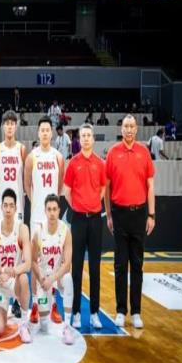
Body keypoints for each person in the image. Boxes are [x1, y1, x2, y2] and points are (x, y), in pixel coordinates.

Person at [105, 114, 156, 329]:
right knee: (120, 265)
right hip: (119, 214)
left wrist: (151, 215)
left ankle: (136, 312)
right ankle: (120, 310)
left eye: (132, 126)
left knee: (137, 265)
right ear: (121, 129)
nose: (128, 129)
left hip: (139, 214)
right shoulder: (113, 152)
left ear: (136, 129)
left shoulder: (144, 152)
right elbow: (107, 187)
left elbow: (150, 186)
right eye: (125, 126)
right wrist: (109, 215)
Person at [63, 124, 106, 330]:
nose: (86, 138)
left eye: (89, 135)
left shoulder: (100, 163)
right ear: (79, 140)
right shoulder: (73, 163)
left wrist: (93, 203)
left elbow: (103, 187)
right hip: (78, 220)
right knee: (77, 268)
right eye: (83, 136)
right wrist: (78, 207)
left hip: (96, 220)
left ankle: (95, 313)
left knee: (95, 267)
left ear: (93, 139)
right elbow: (66, 191)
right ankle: (77, 313)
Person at [24, 116, 64, 325]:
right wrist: (37, 204)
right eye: (42, 130)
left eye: (48, 130)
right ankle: (35, 305)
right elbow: (26, 185)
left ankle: (54, 304)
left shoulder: (58, 157)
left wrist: (52, 209)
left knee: (54, 260)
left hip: (53, 218)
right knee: (35, 261)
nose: (45, 133)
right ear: (38, 133)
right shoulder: (32, 157)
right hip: (37, 217)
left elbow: (59, 187)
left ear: (51, 132)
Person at [0, 188, 32, 343]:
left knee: (24, 278)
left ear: (15, 208)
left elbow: (27, 264)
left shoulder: (22, 229)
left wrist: (11, 272)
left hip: (15, 282)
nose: (8, 209)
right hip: (0, 284)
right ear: (1, 207)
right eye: (5, 205)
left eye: (11, 206)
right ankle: (2, 311)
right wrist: (3, 271)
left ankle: (24, 323)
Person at [31, 194, 75, 345]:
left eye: (54, 209)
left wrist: (53, 279)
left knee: (68, 278)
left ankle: (67, 326)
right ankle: (41, 309)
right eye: (49, 209)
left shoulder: (65, 231)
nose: (52, 213)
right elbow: (32, 261)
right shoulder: (38, 232)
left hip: (58, 276)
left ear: (59, 210)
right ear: (45, 211)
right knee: (44, 326)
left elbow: (67, 264)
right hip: (44, 279)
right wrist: (42, 278)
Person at [0, 110, 26, 223]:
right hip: (2, 198)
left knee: (18, 231)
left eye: (12, 124)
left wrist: (23, 194)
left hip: (18, 199)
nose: (9, 127)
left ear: (16, 126)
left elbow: (26, 177)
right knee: (1, 231)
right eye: (7, 124)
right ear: (3, 126)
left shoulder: (21, 149)